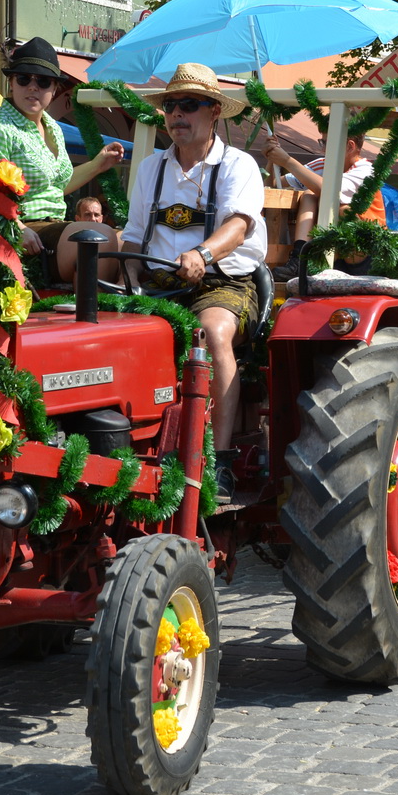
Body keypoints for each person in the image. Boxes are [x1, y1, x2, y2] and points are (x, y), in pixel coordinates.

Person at [116, 62, 267, 502]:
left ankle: (217, 461)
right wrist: (128, 276)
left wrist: (202, 255)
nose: (177, 115)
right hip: (158, 282)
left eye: (189, 105)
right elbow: (132, 232)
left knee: (211, 333)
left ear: (214, 111)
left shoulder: (239, 165)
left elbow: (239, 227)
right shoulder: (150, 168)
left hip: (224, 281)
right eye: (170, 106)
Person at [0, 37, 124, 284]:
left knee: (126, 240)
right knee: (98, 236)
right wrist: (17, 228)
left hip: (55, 228)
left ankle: (114, 315)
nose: (33, 86)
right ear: (11, 83)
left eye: (42, 81)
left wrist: (98, 164)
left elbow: (54, 187)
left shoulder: (53, 128)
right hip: (24, 234)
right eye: (24, 78)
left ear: (54, 89)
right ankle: (89, 317)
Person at [262, 128, 387, 263]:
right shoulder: (322, 164)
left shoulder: (366, 171)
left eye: (327, 143)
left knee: (341, 209)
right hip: (334, 250)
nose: (322, 150)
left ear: (350, 146)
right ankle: (299, 259)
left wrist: (287, 161)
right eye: (322, 142)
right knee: (310, 195)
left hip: (370, 253)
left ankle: (305, 259)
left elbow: (329, 191)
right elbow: (273, 185)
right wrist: (272, 158)